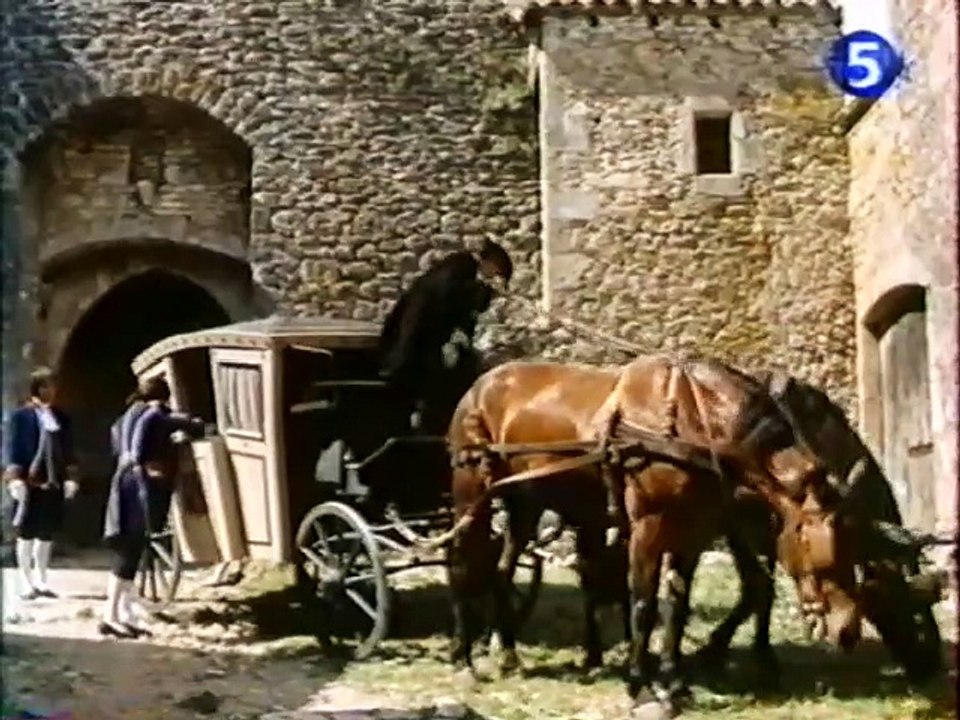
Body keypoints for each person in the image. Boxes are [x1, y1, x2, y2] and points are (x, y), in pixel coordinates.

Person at [99, 376, 205, 638]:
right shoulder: (154, 415)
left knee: (129, 552)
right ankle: (110, 616)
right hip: (138, 486)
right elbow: (193, 426)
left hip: (125, 482)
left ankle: (122, 615)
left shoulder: (126, 416)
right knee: (127, 553)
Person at [378, 238, 513, 429]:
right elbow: (453, 304)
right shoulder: (460, 269)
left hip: (420, 338)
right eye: (495, 272)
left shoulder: (455, 268)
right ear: (490, 263)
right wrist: (484, 294)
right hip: (420, 342)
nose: (492, 276)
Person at [3, 368, 80, 600]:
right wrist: (15, 478)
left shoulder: (61, 418)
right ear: (37, 388)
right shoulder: (21, 417)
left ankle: (42, 579)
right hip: (28, 483)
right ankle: (26, 582)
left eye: (54, 386)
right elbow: (12, 447)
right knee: (26, 533)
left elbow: (68, 450)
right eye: (47, 386)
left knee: (46, 534)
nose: (52, 391)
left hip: (53, 482)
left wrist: (71, 478)